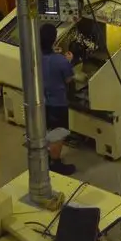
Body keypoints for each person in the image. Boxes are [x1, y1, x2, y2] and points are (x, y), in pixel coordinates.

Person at [40, 23, 77, 175]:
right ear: (54, 39)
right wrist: (69, 61)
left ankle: (46, 156)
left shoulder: (35, 56)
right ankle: (55, 163)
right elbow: (69, 80)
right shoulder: (60, 61)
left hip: (41, 101)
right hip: (58, 103)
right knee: (58, 134)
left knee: (47, 130)